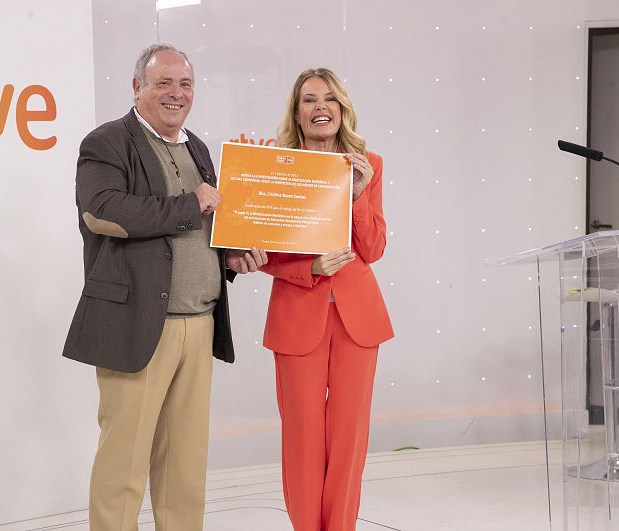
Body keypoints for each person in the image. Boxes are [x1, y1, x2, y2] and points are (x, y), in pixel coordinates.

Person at [62, 43, 266, 531]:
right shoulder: (107, 141)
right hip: (136, 326)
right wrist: (188, 202)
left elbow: (203, 228)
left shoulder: (197, 147)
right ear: (138, 87)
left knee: (184, 468)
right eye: (164, 83)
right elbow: (103, 211)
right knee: (124, 466)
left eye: (186, 84)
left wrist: (231, 257)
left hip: (198, 325)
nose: (177, 93)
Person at [260, 68, 394, 531]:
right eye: (309, 100)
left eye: (330, 99)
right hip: (298, 315)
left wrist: (358, 195)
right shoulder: (277, 166)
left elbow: (373, 249)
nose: (321, 107)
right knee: (302, 438)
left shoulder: (367, 164)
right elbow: (260, 256)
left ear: (342, 110)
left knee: (348, 440)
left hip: (359, 320)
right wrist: (308, 269)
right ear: (296, 114)